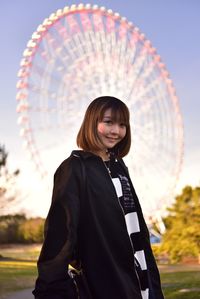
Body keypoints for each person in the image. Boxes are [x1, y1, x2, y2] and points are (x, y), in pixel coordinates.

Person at [33, 96, 164, 299]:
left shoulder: (120, 168)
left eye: (122, 125)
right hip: (106, 283)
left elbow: (135, 228)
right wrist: (52, 290)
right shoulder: (74, 168)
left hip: (142, 282)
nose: (116, 131)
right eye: (108, 122)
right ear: (91, 123)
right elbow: (60, 235)